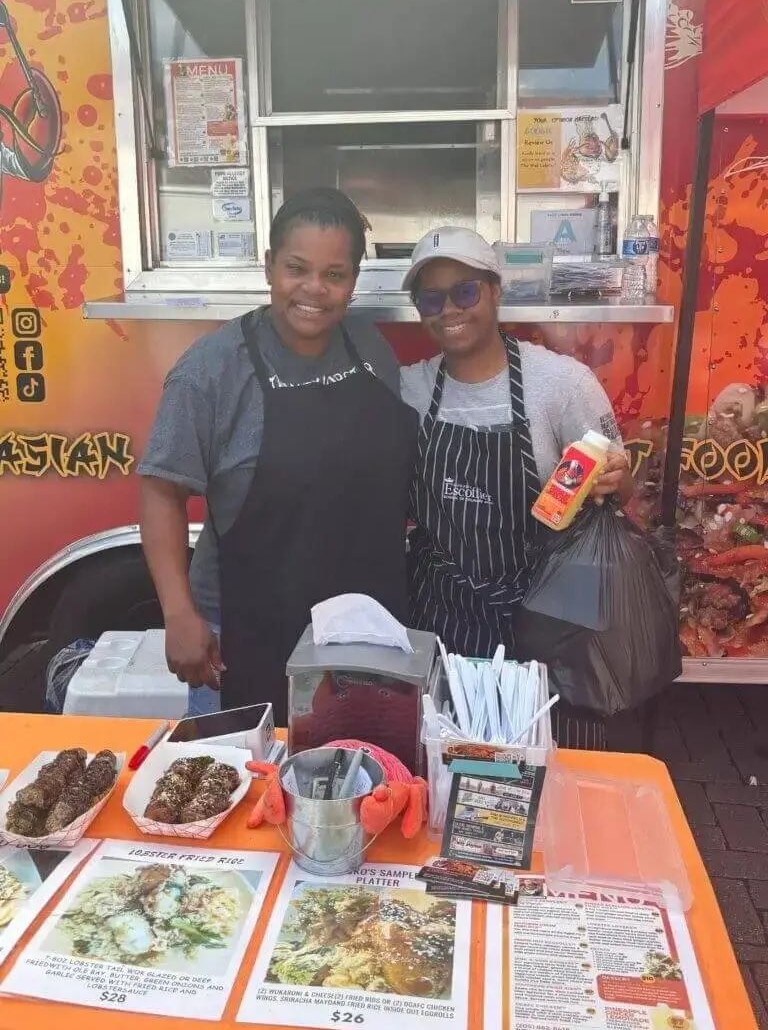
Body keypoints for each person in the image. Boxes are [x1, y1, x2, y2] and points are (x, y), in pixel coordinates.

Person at [139, 188, 418, 720]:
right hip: (243, 633)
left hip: (359, 631)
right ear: (269, 267)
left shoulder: (371, 350)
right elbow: (161, 490)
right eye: (297, 268)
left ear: (353, 283)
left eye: (334, 275)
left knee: (359, 782)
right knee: (247, 789)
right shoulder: (212, 370)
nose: (314, 289)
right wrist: (179, 614)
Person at [400, 227, 633, 749]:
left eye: (465, 291)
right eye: (431, 298)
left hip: (549, 623)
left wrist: (617, 477)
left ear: (495, 291)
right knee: (456, 765)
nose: (449, 309)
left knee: (549, 769)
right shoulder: (410, 390)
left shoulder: (561, 385)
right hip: (446, 616)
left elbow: (621, 490)